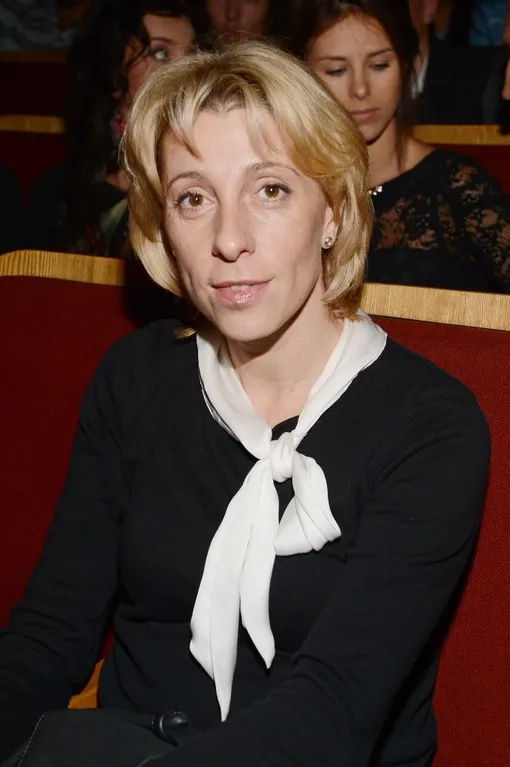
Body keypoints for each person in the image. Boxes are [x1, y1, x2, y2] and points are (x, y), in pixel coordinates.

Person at [0, 40, 490, 767]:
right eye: (193, 198)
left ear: (334, 211)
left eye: (270, 190)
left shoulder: (430, 425)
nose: (228, 240)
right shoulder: (136, 378)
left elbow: (332, 713)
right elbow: (49, 635)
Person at [296, 0, 510, 292]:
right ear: (303, 76)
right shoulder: (289, 188)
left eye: (379, 65)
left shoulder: (457, 189)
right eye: (336, 70)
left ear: (406, 64)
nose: (360, 89)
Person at [24, 0, 208, 259]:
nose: (186, 71)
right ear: (112, 73)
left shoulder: (219, 182)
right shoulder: (57, 194)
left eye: (192, 55)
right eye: (160, 53)